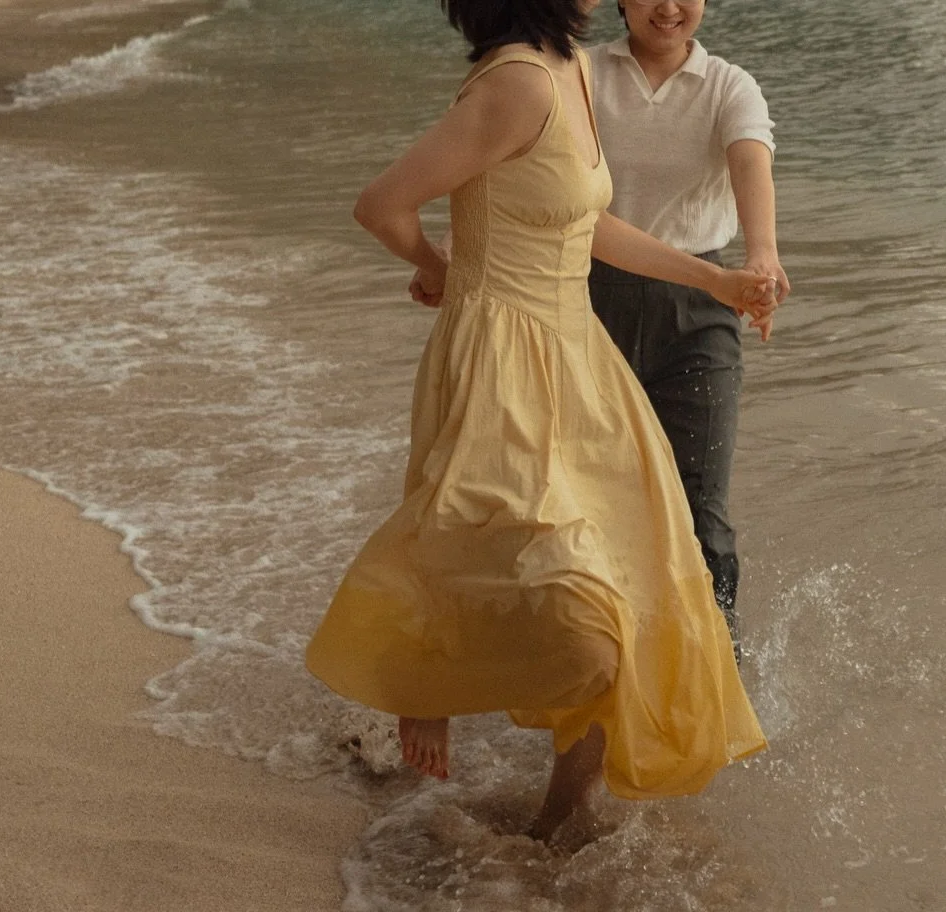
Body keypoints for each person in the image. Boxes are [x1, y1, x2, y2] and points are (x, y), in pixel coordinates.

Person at [305, 0, 772, 843]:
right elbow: (381, 205)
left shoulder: (567, 66)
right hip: (502, 356)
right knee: (539, 573)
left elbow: (584, 223)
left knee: (639, 579)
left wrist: (717, 283)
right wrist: (439, 267)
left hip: (575, 358)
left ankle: (559, 818)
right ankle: (428, 679)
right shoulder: (519, 79)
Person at [586, 0, 790, 665]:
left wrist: (761, 253)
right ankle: (593, 675)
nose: (668, 8)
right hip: (583, 305)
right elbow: (533, 179)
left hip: (700, 310)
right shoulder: (582, 74)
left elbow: (748, 163)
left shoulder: (729, 85)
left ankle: (713, 672)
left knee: (701, 507)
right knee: (585, 501)